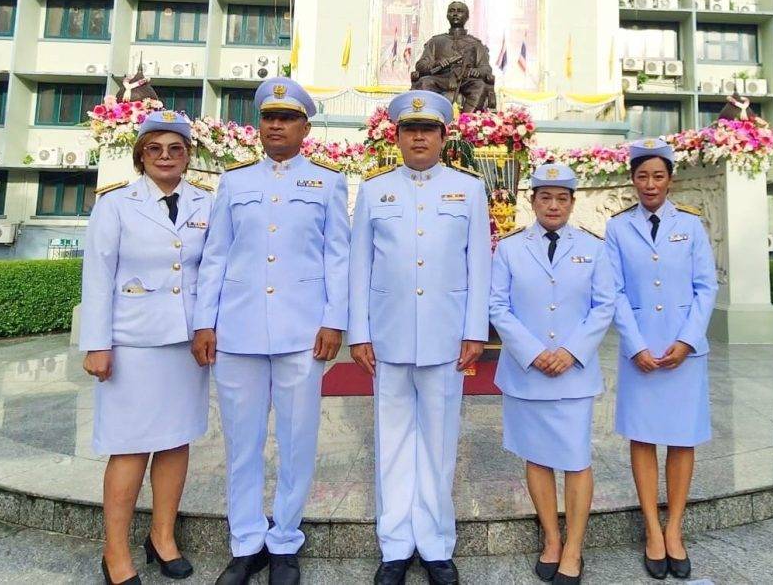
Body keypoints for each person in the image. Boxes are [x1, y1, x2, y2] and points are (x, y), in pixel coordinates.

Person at [192, 77, 350, 585]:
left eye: (286, 119)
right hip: (237, 330)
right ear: (259, 125)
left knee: (297, 439)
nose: (276, 126)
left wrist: (334, 319)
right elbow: (215, 255)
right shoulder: (235, 182)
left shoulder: (327, 182)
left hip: (302, 332)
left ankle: (284, 540)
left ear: (305, 127)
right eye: (268, 118)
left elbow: (338, 257)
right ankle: (245, 543)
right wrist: (204, 322)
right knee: (242, 441)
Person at [348, 90, 491, 585]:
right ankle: (394, 546)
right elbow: (359, 266)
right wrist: (359, 332)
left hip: (446, 338)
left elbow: (479, 264)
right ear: (399, 136)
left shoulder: (468, 190)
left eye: (428, 129)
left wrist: (475, 330)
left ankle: (434, 544)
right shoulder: (374, 190)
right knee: (392, 442)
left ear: (444, 137)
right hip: (387, 339)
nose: (419, 137)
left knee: (439, 442)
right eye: (410, 130)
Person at [79, 109, 213, 585]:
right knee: (130, 448)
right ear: (140, 156)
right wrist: (97, 344)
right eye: (154, 148)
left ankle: (162, 536)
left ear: (187, 156)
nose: (165, 157)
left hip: (185, 344)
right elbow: (97, 278)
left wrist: (208, 328)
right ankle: (114, 551)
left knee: (176, 441)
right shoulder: (116, 206)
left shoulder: (205, 203)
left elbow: (211, 273)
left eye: (175, 149)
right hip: (132, 342)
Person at [597, 138, 717, 581]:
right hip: (642, 351)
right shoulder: (617, 228)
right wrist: (635, 346)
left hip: (685, 353)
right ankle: (651, 528)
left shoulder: (691, 225)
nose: (650, 184)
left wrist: (687, 340)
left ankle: (675, 529)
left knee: (682, 439)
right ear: (632, 179)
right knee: (644, 438)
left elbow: (706, 287)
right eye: (642, 176)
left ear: (671, 179)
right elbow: (614, 292)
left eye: (658, 176)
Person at [489, 163, 614, 584]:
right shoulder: (509, 248)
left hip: (574, 373)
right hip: (527, 372)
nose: (554, 205)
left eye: (562, 198)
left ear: (572, 203)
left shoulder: (594, 248)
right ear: (533, 201)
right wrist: (533, 351)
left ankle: (574, 547)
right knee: (537, 457)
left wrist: (572, 351)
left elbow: (604, 305)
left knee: (576, 459)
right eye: (546, 197)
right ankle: (551, 540)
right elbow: (497, 306)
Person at [411, 1, 496, 113]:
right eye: (452, 11)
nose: (455, 14)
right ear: (447, 15)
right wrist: (437, 63)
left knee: (480, 86)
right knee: (424, 83)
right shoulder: (436, 41)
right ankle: (431, 121)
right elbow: (420, 65)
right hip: (441, 79)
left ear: (467, 16)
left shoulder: (475, 44)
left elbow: (486, 68)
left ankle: (467, 122)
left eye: (460, 11)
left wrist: (477, 71)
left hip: (466, 80)